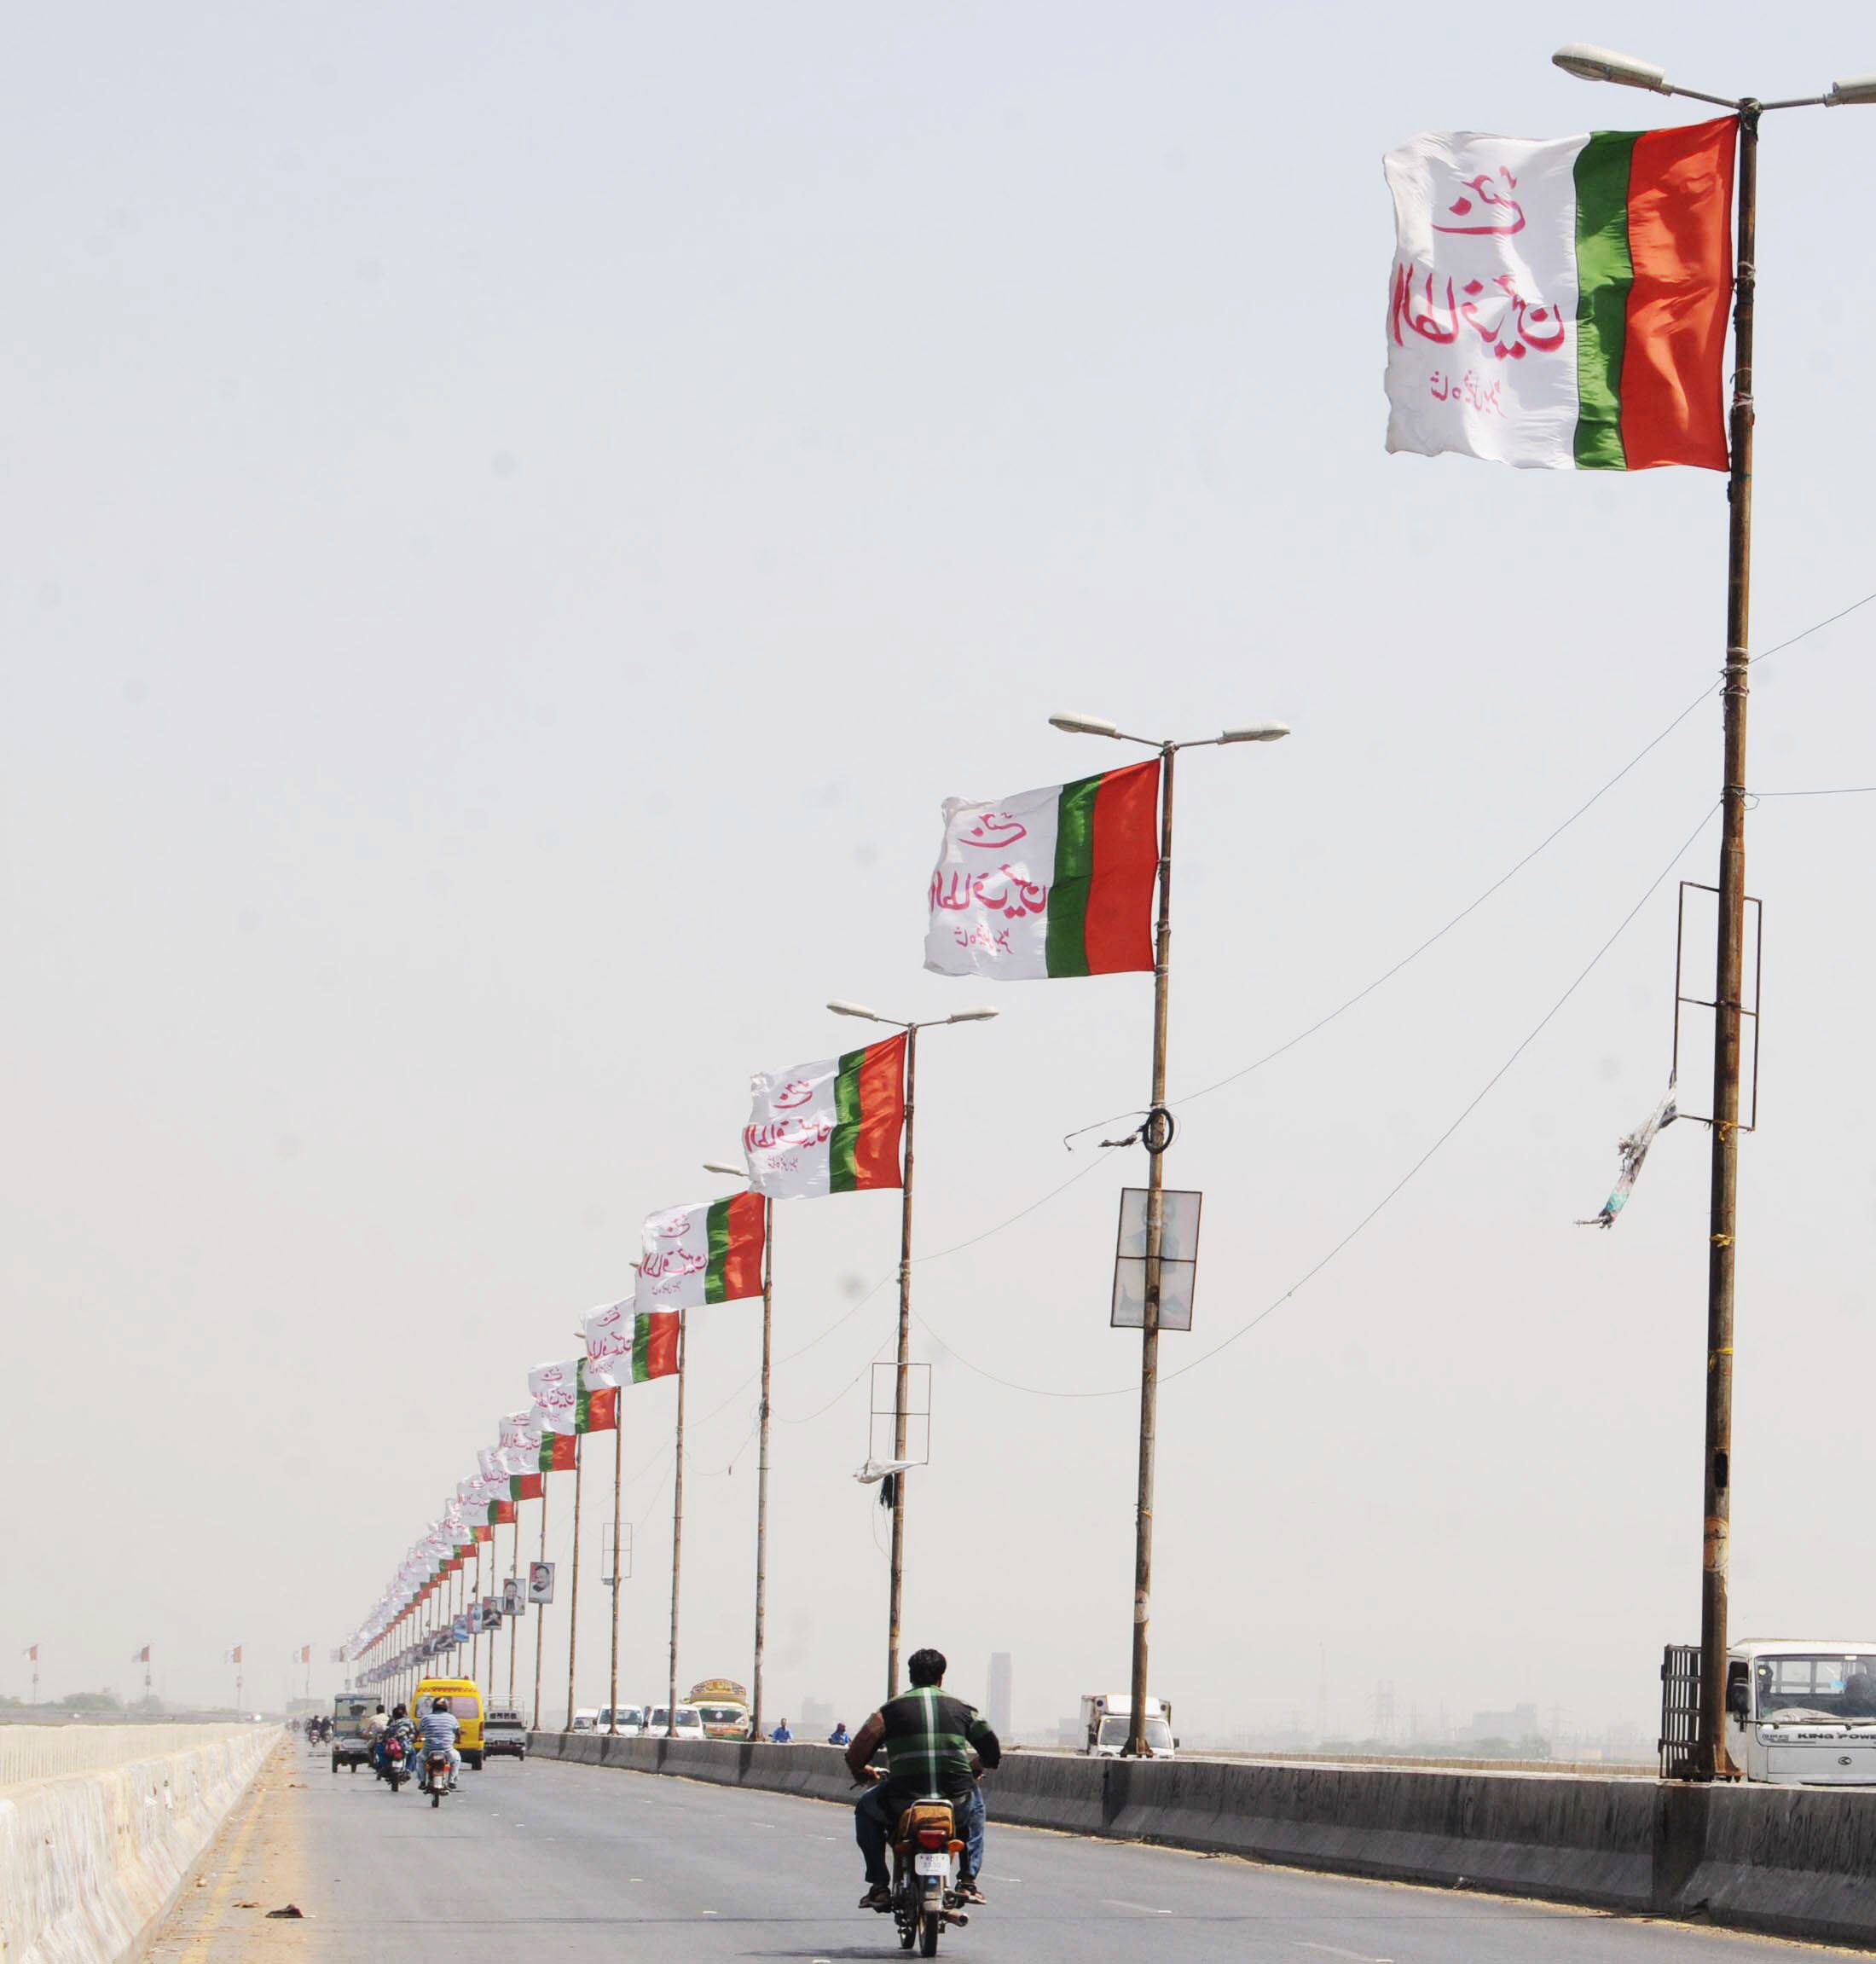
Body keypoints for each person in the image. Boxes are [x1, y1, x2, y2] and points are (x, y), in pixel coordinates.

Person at [845, 1646, 999, 1911]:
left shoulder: (888, 1712)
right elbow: (992, 1751)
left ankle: (880, 1886)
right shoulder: (964, 1710)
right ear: (941, 1677)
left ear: (910, 1676)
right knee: (976, 1810)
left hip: (903, 1801)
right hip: (956, 1802)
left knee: (865, 1809)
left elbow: (857, 1752)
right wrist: (975, 1766)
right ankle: (968, 1881)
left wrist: (862, 1772)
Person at [420, 1695, 463, 1789]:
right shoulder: (452, 1718)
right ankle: (451, 1781)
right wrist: (458, 1740)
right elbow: (458, 1732)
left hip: (429, 1749)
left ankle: (422, 1781)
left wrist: (419, 1737)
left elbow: (421, 1732)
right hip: (447, 1749)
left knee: (420, 1758)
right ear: (446, 1707)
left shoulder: (426, 1718)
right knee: (456, 1759)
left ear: (433, 1706)